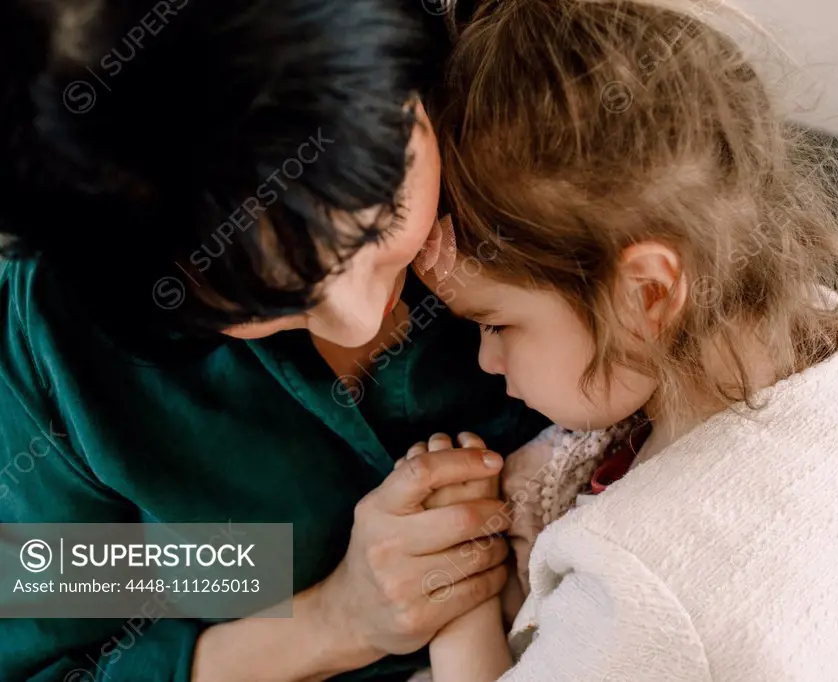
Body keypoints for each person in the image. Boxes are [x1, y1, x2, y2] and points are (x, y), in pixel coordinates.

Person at [0, 1, 548, 680]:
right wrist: (337, 620)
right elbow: (48, 653)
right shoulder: (57, 358)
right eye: (266, 302)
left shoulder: (545, 111)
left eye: (382, 221)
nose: (360, 319)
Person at [396, 0, 838, 679]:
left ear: (645, 294)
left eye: (496, 324)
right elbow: (211, 567)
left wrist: (456, 603)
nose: (487, 359)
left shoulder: (656, 590)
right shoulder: (809, 334)